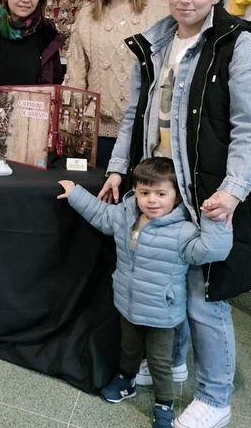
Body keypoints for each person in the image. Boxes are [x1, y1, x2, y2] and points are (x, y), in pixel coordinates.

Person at [99, 0, 251, 428]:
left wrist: (234, 191)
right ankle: (172, 367)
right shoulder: (153, 45)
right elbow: (134, 116)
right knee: (167, 286)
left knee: (204, 295)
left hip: (210, 194)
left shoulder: (240, 46)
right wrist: (119, 170)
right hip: (161, 191)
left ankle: (216, 399)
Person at [58, 157, 232, 428]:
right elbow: (101, 215)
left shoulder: (183, 231)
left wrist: (215, 222)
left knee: (160, 363)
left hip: (163, 314)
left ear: (175, 197)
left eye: (161, 194)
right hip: (128, 305)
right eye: (145, 193)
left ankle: (164, 403)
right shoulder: (126, 215)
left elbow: (209, 251)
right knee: (128, 350)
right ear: (136, 191)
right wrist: (76, 194)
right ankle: (126, 381)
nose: (152, 200)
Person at [64, 0, 169, 167]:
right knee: (98, 198)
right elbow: (76, 75)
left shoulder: (161, 9)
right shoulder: (87, 15)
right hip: (100, 133)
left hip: (146, 131)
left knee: (144, 200)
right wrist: (74, 129)